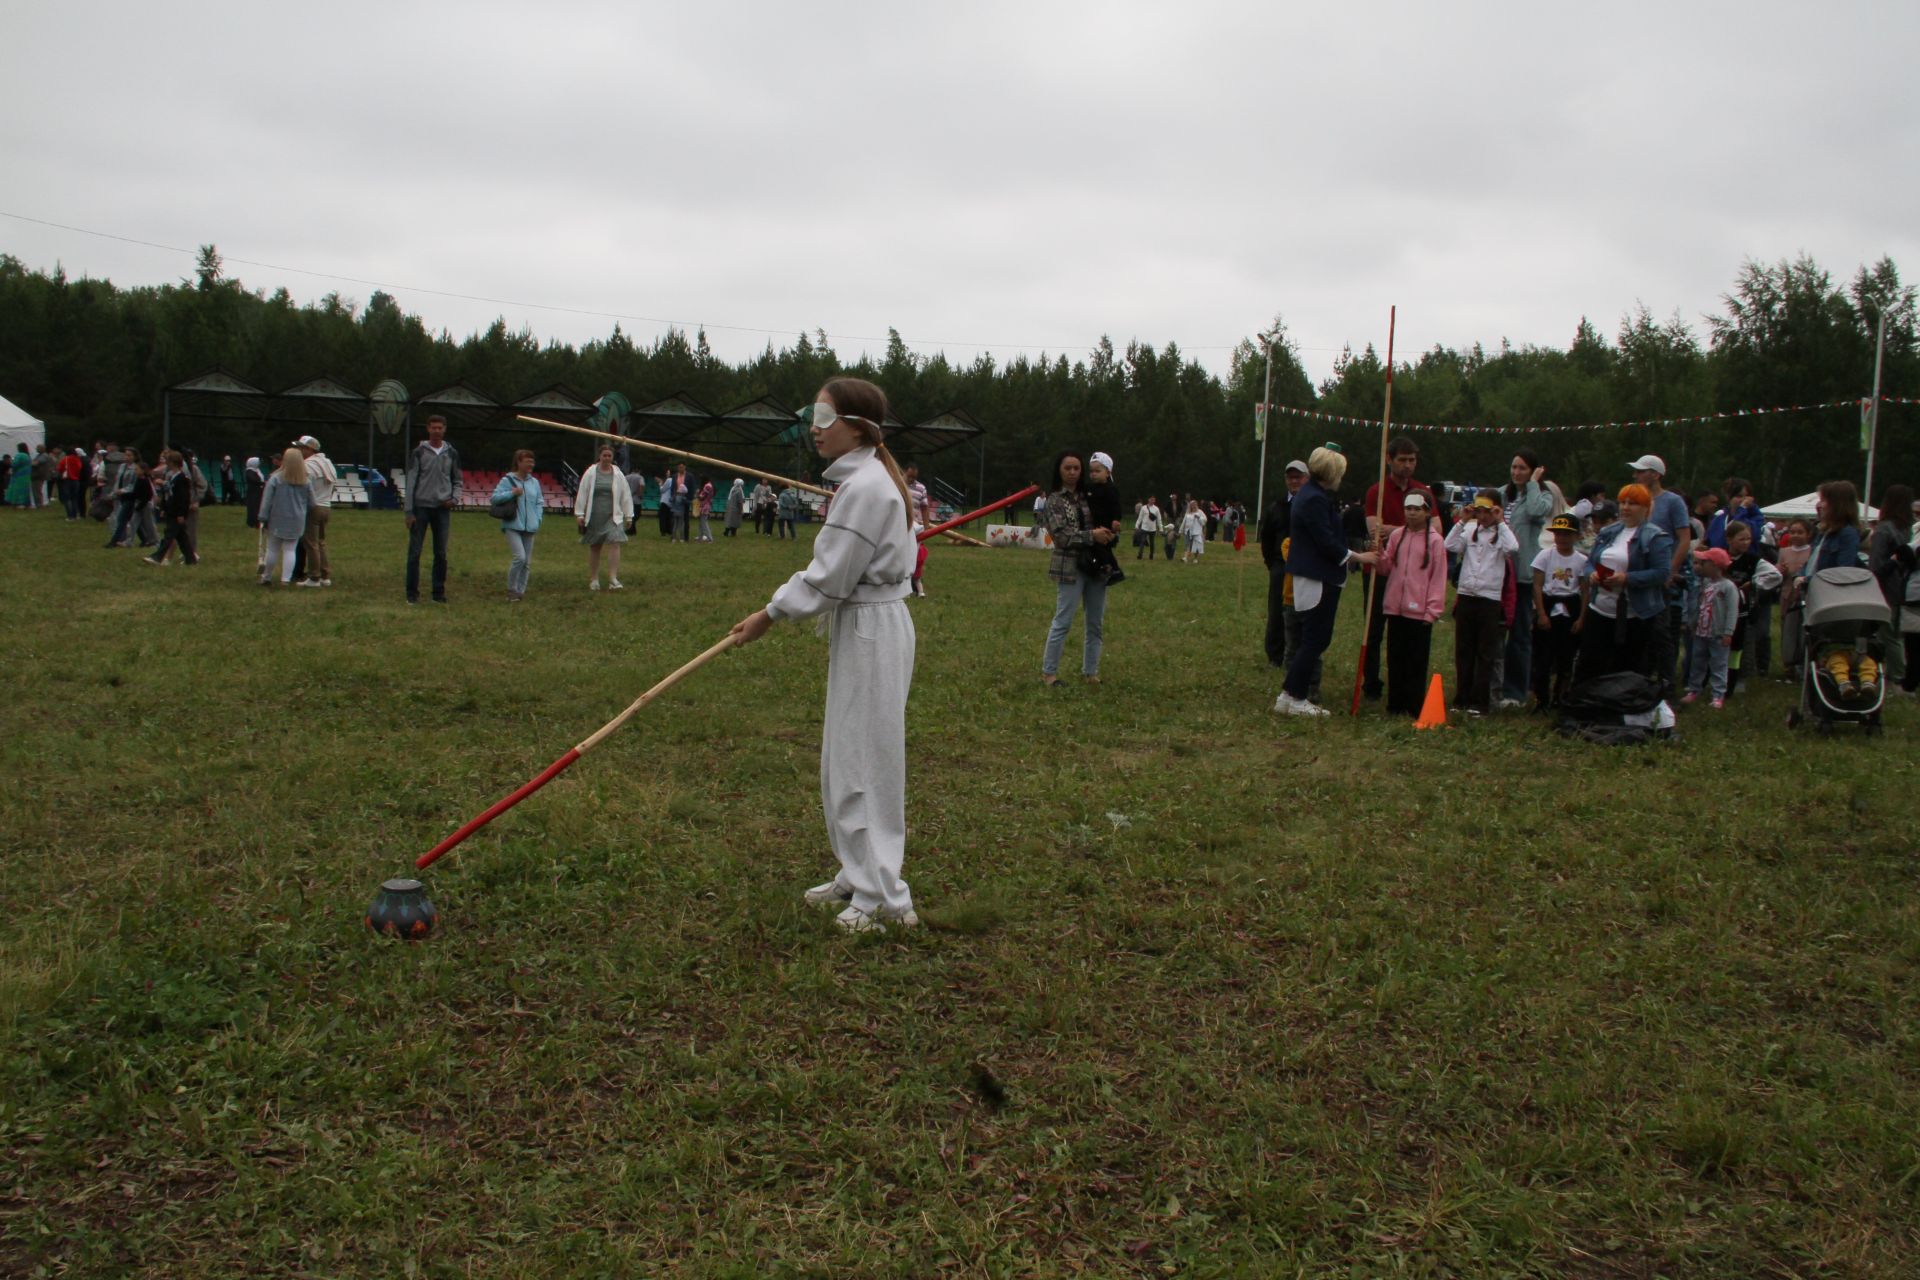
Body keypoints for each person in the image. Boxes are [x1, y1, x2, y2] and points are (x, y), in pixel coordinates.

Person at [728, 377, 918, 935]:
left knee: (865, 758)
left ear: (857, 427)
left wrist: (770, 613)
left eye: (825, 416)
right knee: (847, 749)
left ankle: (883, 894)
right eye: (813, 414)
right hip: (868, 621)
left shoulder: (866, 488)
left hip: (870, 625)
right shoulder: (872, 482)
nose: (814, 427)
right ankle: (857, 870)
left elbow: (828, 578)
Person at [1274, 446, 1378, 716]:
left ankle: (1289, 694)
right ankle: (1295, 697)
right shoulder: (1314, 500)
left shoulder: (1311, 496)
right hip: (1317, 576)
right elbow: (1326, 542)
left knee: (1313, 639)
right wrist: (1360, 557)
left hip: (1313, 574)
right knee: (1315, 639)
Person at [1359, 437, 1441, 702]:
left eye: (1412, 460)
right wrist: (1406, 530)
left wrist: (1396, 530)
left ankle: (1408, 688)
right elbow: (1375, 530)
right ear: (1390, 460)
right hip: (1382, 572)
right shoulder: (1377, 491)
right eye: (1403, 460)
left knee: (1407, 635)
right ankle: (1371, 683)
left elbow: (1437, 529)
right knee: (1373, 632)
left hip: (1414, 577)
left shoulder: (1421, 491)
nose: (1408, 465)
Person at [1575, 484, 1675, 685]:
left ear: (1646, 508)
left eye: (1633, 503)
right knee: (1589, 663)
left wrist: (1627, 578)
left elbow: (1662, 573)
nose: (1626, 508)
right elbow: (1589, 563)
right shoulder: (1608, 532)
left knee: (1626, 666)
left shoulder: (1656, 537)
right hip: (1600, 608)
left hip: (1633, 614)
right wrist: (1592, 575)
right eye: (1623, 503)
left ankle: (1622, 710)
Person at [1040, 450, 1117, 687]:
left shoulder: (1090, 495)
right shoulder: (1054, 500)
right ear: (1059, 471)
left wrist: (1110, 531)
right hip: (1069, 566)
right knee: (1063, 620)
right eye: (1067, 468)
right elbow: (1061, 536)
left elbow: (1105, 517)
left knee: (1095, 622)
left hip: (1096, 564)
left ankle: (1091, 672)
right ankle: (1049, 674)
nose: (1073, 472)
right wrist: (1092, 535)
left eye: (1076, 468)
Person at [1445, 493, 1519, 715]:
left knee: (1486, 653)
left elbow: (1513, 549)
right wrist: (1463, 520)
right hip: (1467, 595)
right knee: (1464, 650)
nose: (1483, 516)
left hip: (1489, 599)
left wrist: (1501, 522)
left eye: (1488, 511)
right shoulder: (1470, 530)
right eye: (1480, 510)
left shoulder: (1502, 534)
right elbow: (1449, 545)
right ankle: (1462, 699)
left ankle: (1480, 702)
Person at [1376, 491, 1448, 715]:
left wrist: (1432, 609)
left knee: (1415, 660)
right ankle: (1395, 704)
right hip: (1395, 608)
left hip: (1419, 612)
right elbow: (1387, 568)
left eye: (1417, 509)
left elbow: (1438, 577)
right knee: (1395, 658)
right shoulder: (1397, 536)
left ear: (1427, 512)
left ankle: (1414, 704)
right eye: (1408, 508)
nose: (1412, 513)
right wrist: (1378, 553)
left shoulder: (1435, 542)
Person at [1630, 454, 1692, 699]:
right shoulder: (1634, 500)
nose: (1636, 475)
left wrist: (1671, 570)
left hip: (1660, 574)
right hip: (1638, 573)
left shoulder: (1672, 502)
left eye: (1641, 471)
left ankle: (1667, 686)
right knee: (1639, 629)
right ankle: (1640, 681)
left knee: (1661, 631)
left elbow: (1684, 538)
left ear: (1655, 474)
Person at [1499, 450, 1555, 706]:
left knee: (1520, 636)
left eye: (1522, 468)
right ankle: (1493, 684)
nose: (1516, 472)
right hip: (1498, 572)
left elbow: (1536, 511)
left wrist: (1533, 483)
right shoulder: (1503, 494)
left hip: (1522, 576)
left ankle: (1515, 692)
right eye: (1513, 467)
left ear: (1532, 471)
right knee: (1496, 634)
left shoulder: (1541, 495)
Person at [1531, 513, 1588, 709]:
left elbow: (1585, 589)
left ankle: (1560, 697)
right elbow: (1537, 585)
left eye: (1566, 534)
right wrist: (1541, 613)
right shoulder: (1545, 555)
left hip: (1570, 608)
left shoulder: (1581, 560)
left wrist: (1581, 618)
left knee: (1566, 658)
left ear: (1576, 536)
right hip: (1548, 605)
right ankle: (1541, 698)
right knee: (1543, 659)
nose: (1562, 538)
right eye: (1558, 534)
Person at [404, 414, 461, 604]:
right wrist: (409, 511)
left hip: (442, 508)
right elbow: (411, 481)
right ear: (428, 429)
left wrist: (454, 498)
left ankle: (438, 592)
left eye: (440, 427)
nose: (437, 431)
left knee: (441, 553)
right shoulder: (419, 452)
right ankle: (412, 594)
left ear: (444, 429)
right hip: (421, 507)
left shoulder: (452, 453)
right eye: (433, 427)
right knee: (414, 552)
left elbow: (457, 479)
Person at [1721, 521, 1781, 694]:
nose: (1746, 542)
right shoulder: (1720, 557)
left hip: (1744, 611)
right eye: (1741, 539)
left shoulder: (1753, 560)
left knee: (1743, 645)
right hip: (1720, 610)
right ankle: (1718, 675)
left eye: (1748, 539)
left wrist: (1754, 583)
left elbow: (1775, 575)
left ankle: (1741, 677)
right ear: (1729, 540)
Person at [1260, 459, 1308, 668]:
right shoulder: (1276, 507)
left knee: (1303, 612)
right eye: (1290, 477)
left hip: (1307, 567)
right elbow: (1267, 537)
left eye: (1298, 477)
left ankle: (1300, 653)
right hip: (1281, 567)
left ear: (1306, 478)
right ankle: (1275, 655)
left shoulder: (1313, 504)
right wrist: (1273, 564)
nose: (1294, 481)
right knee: (1277, 611)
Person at [1867, 484, 1915, 690]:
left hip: (1886, 589)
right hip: (1906, 588)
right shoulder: (1909, 530)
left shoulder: (1884, 529)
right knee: (1897, 635)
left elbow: (1876, 565)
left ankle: (1898, 678)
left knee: (1889, 635)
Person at [1681, 547, 1738, 708]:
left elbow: (1732, 610)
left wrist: (1728, 632)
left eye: (1703, 563)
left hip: (1718, 634)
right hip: (1700, 632)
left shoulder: (1728, 587)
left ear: (1715, 565)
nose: (1700, 566)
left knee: (1718, 664)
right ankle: (1694, 689)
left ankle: (1718, 694)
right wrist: (1692, 624)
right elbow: (1699, 605)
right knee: (1697, 661)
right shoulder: (1704, 584)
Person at [575, 444, 633, 590]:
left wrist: (629, 515)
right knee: (595, 546)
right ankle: (594, 579)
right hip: (594, 515)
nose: (607, 458)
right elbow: (582, 492)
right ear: (599, 456)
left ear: (612, 457)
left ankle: (613, 578)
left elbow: (625, 495)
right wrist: (579, 513)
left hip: (613, 516)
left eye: (609, 456)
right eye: (604, 455)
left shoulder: (618, 474)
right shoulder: (591, 472)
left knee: (615, 543)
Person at [491, 448, 544, 601]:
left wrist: (538, 518)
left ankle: (521, 591)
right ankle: (512, 589)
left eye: (532, 462)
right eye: (527, 461)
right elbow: (494, 498)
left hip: (530, 526)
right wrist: (512, 493)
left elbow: (539, 501)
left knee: (527, 562)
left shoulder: (534, 482)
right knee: (519, 558)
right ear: (518, 462)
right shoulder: (507, 480)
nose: (531, 465)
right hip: (512, 524)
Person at [257, 447, 312, 587]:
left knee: (273, 549)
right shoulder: (306, 480)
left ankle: (266, 576)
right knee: (290, 549)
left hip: (277, 518)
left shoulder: (276, 478)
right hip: (297, 519)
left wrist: (262, 516)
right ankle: (285, 579)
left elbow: (267, 500)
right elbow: (312, 502)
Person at [293, 436, 337, 587]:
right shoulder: (327, 463)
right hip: (326, 506)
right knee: (320, 542)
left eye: (301, 448)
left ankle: (314, 577)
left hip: (313, 507)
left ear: (309, 449)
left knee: (311, 543)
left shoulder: (308, 465)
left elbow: (304, 487)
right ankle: (325, 575)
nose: (299, 451)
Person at [143, 450, 199, 567]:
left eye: (168, 460)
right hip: (171, 511)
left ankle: (157, 557)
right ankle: (191, 559)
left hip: (177, 513)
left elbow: (183, 499)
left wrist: (181, 514)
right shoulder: (172, 477)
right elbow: (169, 495)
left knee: (169, 536)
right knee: (182, 538)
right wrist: (164, 508)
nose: (166, 463)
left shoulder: (181, 478)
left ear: (173, 462)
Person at [1777, 517, 1815, 677]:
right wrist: (1781, 571)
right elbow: (1778, 573)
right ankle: (1789, 663)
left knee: (1804, 629)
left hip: (1807, 595)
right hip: (1788, 594)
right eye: (1792, 532)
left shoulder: (1812, 551)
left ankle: (1803, 662)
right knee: (1789, 629)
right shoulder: (1784, 551)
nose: (1796, 535)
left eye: (1800, 532)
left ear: (1808, 534)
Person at [1080, 452, 1125, 584]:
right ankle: (1107, 568)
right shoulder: (1089, 487)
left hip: (1106, 524)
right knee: (1096, 547)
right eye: (1091, 471)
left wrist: (1116, 521)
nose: (1093, 474)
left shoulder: (1111, 489)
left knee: (1102, 547)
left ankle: (1113, 569)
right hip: (1093, 524)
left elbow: (1116, 507)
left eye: (1097, 471)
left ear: (1107, 472)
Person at [57, 447, 85, 520]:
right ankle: (75, 514)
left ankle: (70, 515)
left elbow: (59, 468)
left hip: (67, 480)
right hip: (76, 480)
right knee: (74, 498)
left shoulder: (65, 459)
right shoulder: (77, 459)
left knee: (67, 499)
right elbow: (80, 468)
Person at [1135, 495, 1162, 561]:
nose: (1153, 501)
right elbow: (1140, 518)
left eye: (1154, 500)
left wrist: (1161, 528)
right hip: (1144, 528)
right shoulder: (1143, 508)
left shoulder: (1156, 509)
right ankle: (1140, 555)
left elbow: (1159, 519)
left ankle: (1151, 555)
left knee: (1152, 543)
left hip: (1153, 529)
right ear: (1148, 500)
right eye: (1151, 499)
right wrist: (1136, 526)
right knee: (1142, 541)